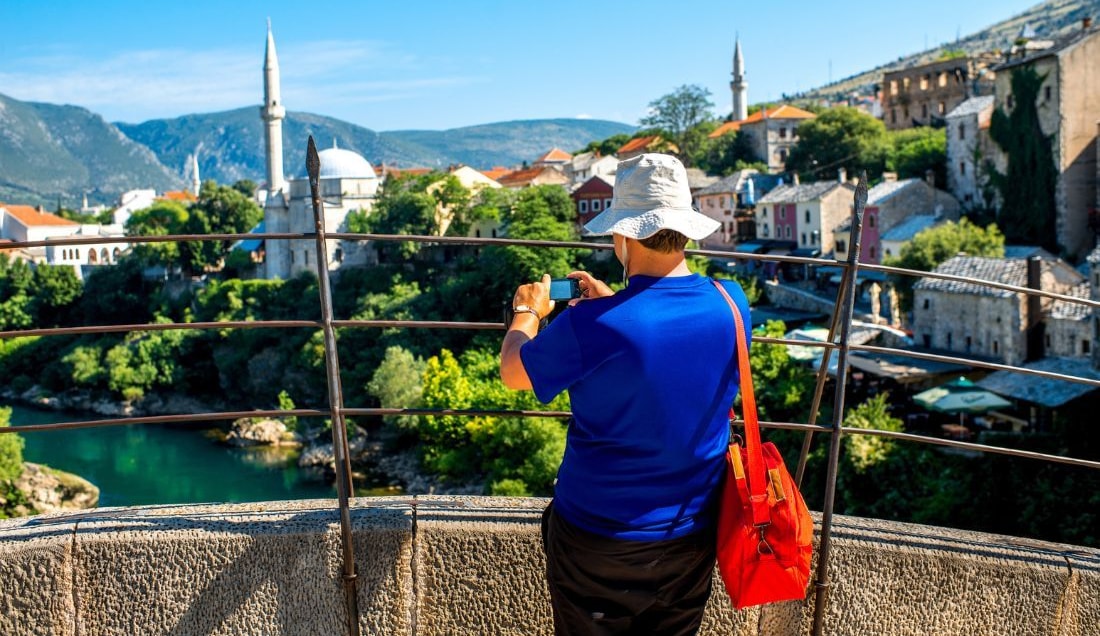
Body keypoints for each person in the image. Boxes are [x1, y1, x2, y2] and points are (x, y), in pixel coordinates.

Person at [499, 153, 752, 635]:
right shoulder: (732, 303)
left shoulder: (591, 325)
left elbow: (514, 372)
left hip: (598, 535)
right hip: (692, 529)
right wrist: (609, 307)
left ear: (623, 234)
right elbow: (659, 343)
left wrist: (525, 313)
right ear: (685, 230)